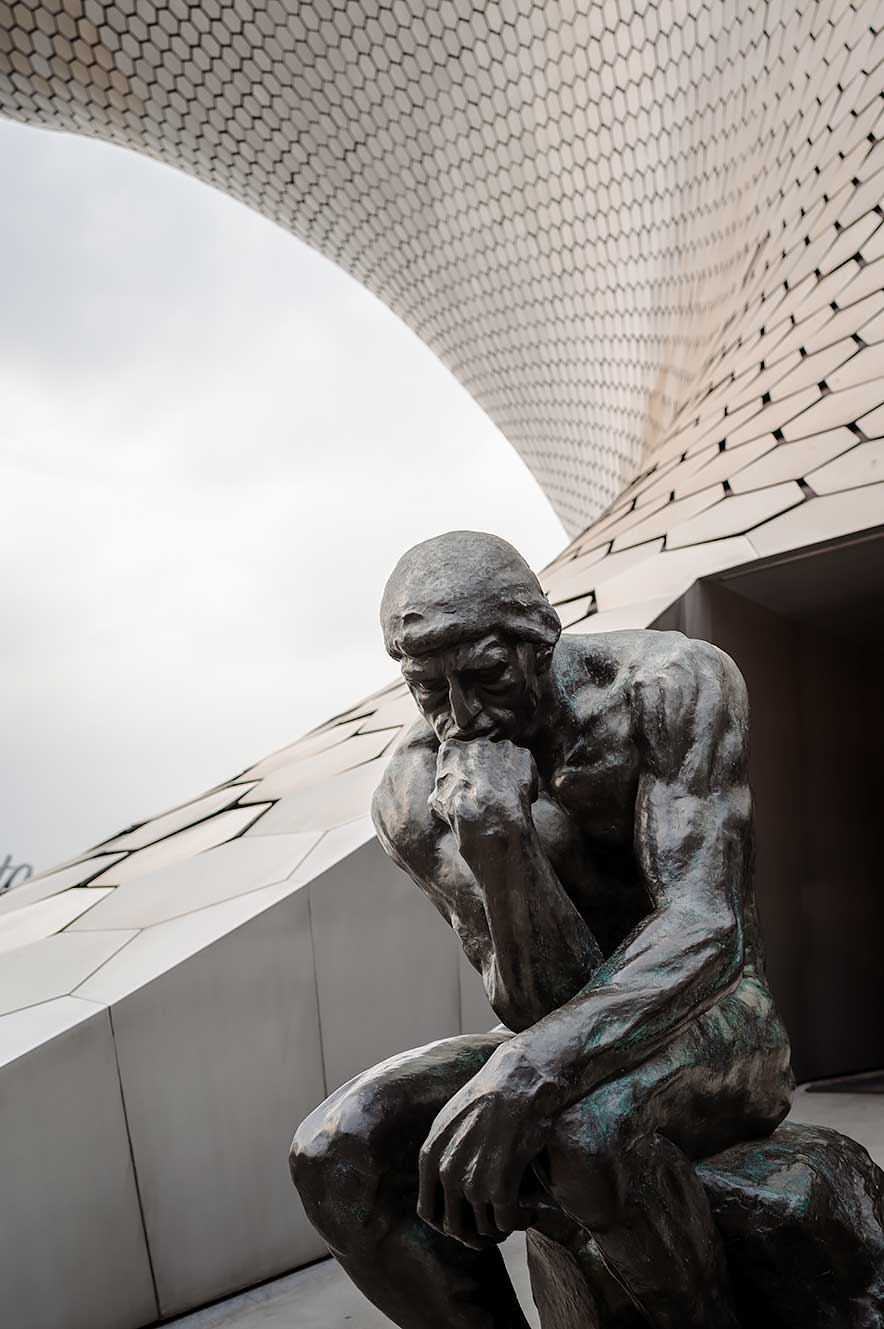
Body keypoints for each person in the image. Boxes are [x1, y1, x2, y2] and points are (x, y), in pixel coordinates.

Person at [290, 531, 794, 1329]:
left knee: (586, 1131)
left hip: (716, 1016)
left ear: (541, 640)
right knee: (335, 1150)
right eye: (430, 690)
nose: (462, 716)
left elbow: (707, 927)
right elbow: (538, 1002)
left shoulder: (670, 684)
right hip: (559, 1028)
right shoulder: (414, 791)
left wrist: (528, 1070)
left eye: (485, 675)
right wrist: (502, 845)